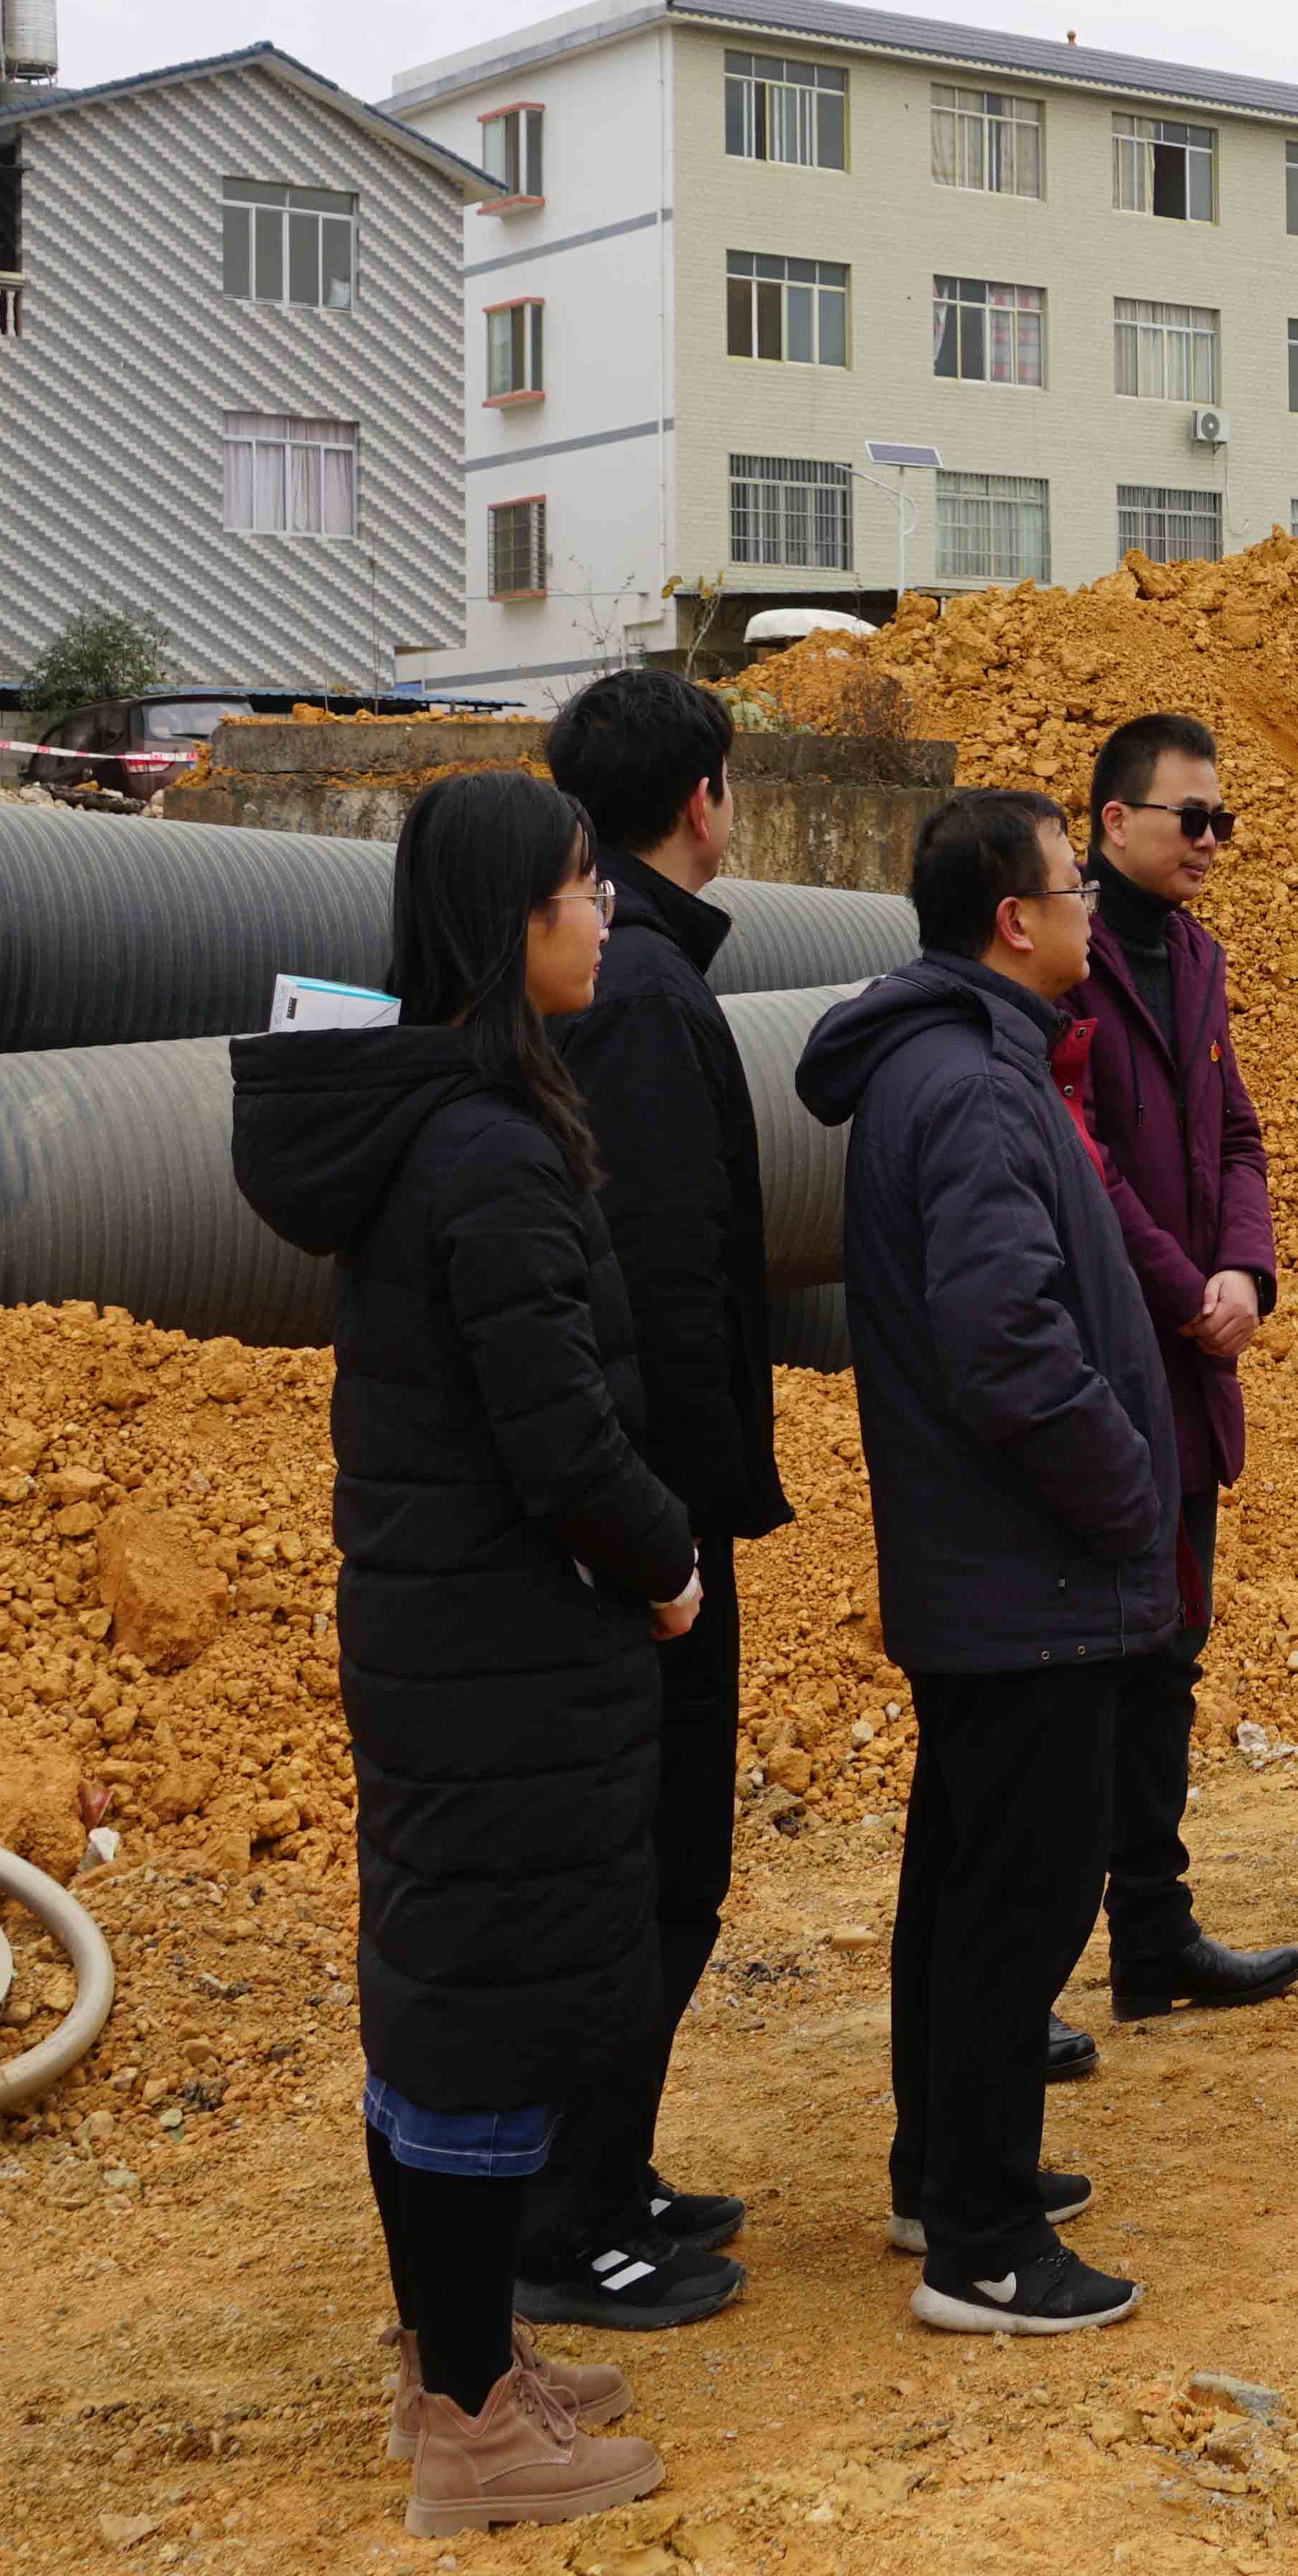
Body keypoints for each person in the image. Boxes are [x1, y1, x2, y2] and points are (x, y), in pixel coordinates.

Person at [229, 771, 700, 2532]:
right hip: (506, 1645)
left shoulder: (441, 1116)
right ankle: (473, 2429)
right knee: (483, 2021)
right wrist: (665, 1562)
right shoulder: (488, 1147)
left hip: (451, 1636)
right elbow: (557, 1433)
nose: (605, 913)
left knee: (445, 1994)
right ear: (513, 921)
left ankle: (461, 2358)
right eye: (583, 889)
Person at [796, 789, 1178, 2332]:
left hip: (995, 1576)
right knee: (1016, 1905)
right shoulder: (968, 1086)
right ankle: (986, 2245)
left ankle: (940, 2179)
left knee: (965, 1893)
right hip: (1028, 1580)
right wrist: (1129, 1493)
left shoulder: (968, 1061)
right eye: (1074, 886)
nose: (1092, 909)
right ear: (1013, 922)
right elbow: (1008, 1344)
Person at [525, 668, 785, 2297]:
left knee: (649, 1867)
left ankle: (608, 2177)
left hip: (637, 1516)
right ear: (703, 802)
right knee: (653, 1873)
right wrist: (674, 1540)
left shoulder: (623, 976)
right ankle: (573, 2221)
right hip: (649, 1534)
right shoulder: (645, 995)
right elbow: (661, 1287)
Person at [1069, 711, 1298, 2022]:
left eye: (1224, 821)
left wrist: (1246, 1274)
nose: (1213, 842)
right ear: (1115, 822)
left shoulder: (1198, 958)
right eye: (1192, 819)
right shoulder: (1064, 956)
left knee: (1168, 1655)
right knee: (1082, 1674)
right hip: (1101, 1368)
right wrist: (1183, 1287)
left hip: (1189, 1371)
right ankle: (1022, 1978)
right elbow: (1082, 1161)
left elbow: (1236, 1139)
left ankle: (1151, 1940)